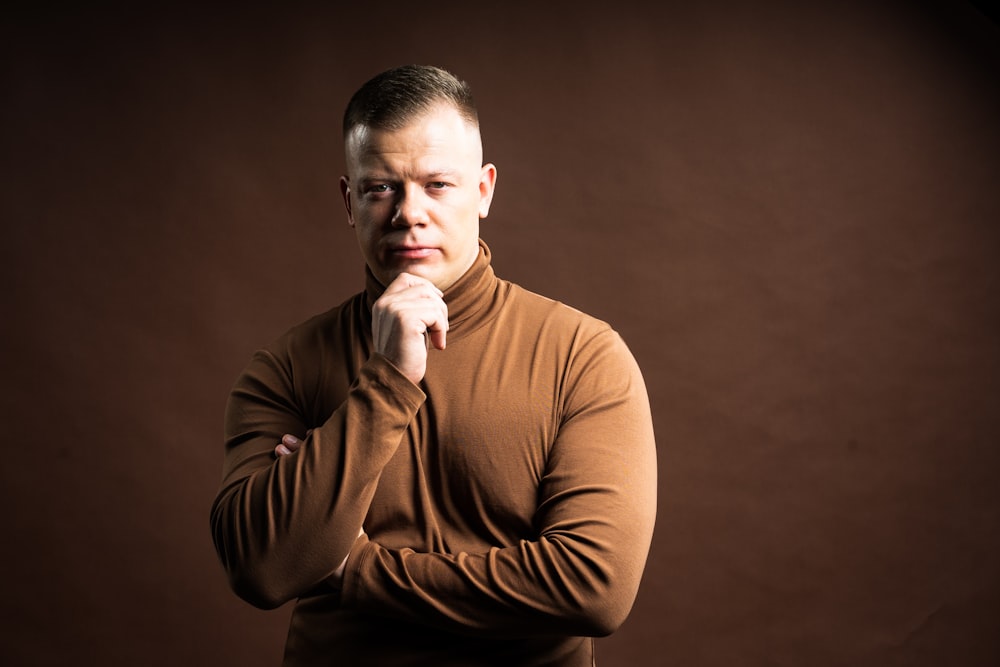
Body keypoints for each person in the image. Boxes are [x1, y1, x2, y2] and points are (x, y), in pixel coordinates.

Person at [210, 64, 657, 666]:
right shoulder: (286, 367)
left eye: (437, 184)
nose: (408, 213)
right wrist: (385, 382)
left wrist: (355, 570)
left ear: (483, 191)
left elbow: (594, 589)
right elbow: (262, 568)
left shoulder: (582, 355)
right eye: (380, 188)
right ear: (350, 200)